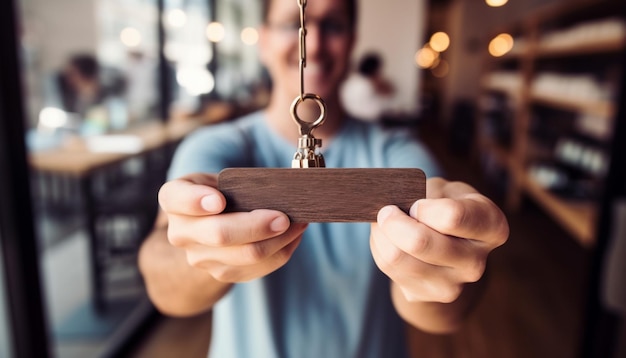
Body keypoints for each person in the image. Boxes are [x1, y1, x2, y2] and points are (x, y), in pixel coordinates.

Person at [138, 0, 509, 357]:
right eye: (292, 23)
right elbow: (163, 282)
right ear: (263, 39)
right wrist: (196, 251)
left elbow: (445, 313)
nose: (312, 44)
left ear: (352, 40)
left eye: (332, 24)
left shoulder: (397, 152)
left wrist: (446, 253)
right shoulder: (214, 148)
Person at [340, 52, 396, 122]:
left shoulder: (350, 82)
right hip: (366, 121)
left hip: (350, 120)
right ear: (375, 69)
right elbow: (376, 111)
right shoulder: (368, 84)